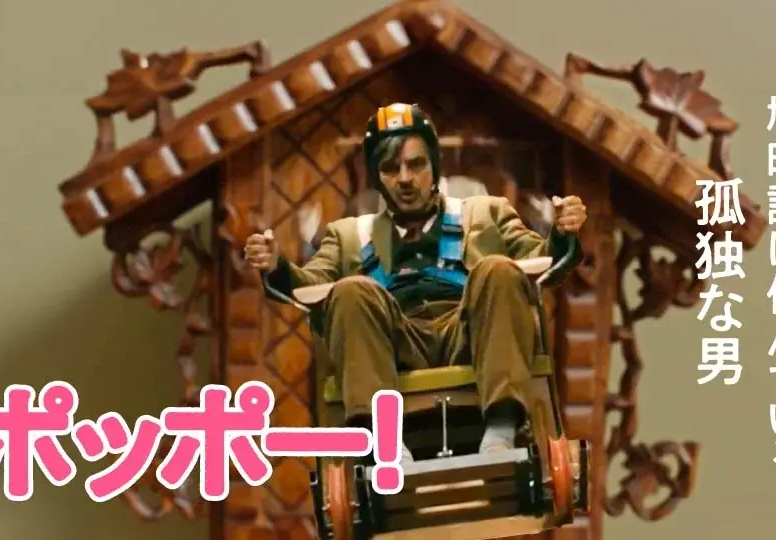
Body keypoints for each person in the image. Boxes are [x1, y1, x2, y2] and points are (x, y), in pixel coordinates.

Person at [244, 103, 587, 461]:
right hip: (395, 346)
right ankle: (384, 440)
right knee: (350, 290)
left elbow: (542, 260)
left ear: (434, 165)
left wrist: (562, 233)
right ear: (377, 176)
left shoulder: (487, 213)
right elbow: (307, 285)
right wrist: (276, 266)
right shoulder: (347, 235)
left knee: (499, 269)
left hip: (470, 333)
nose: (405, 178)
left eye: (416, 164)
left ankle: (501, 429)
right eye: (391, 168)